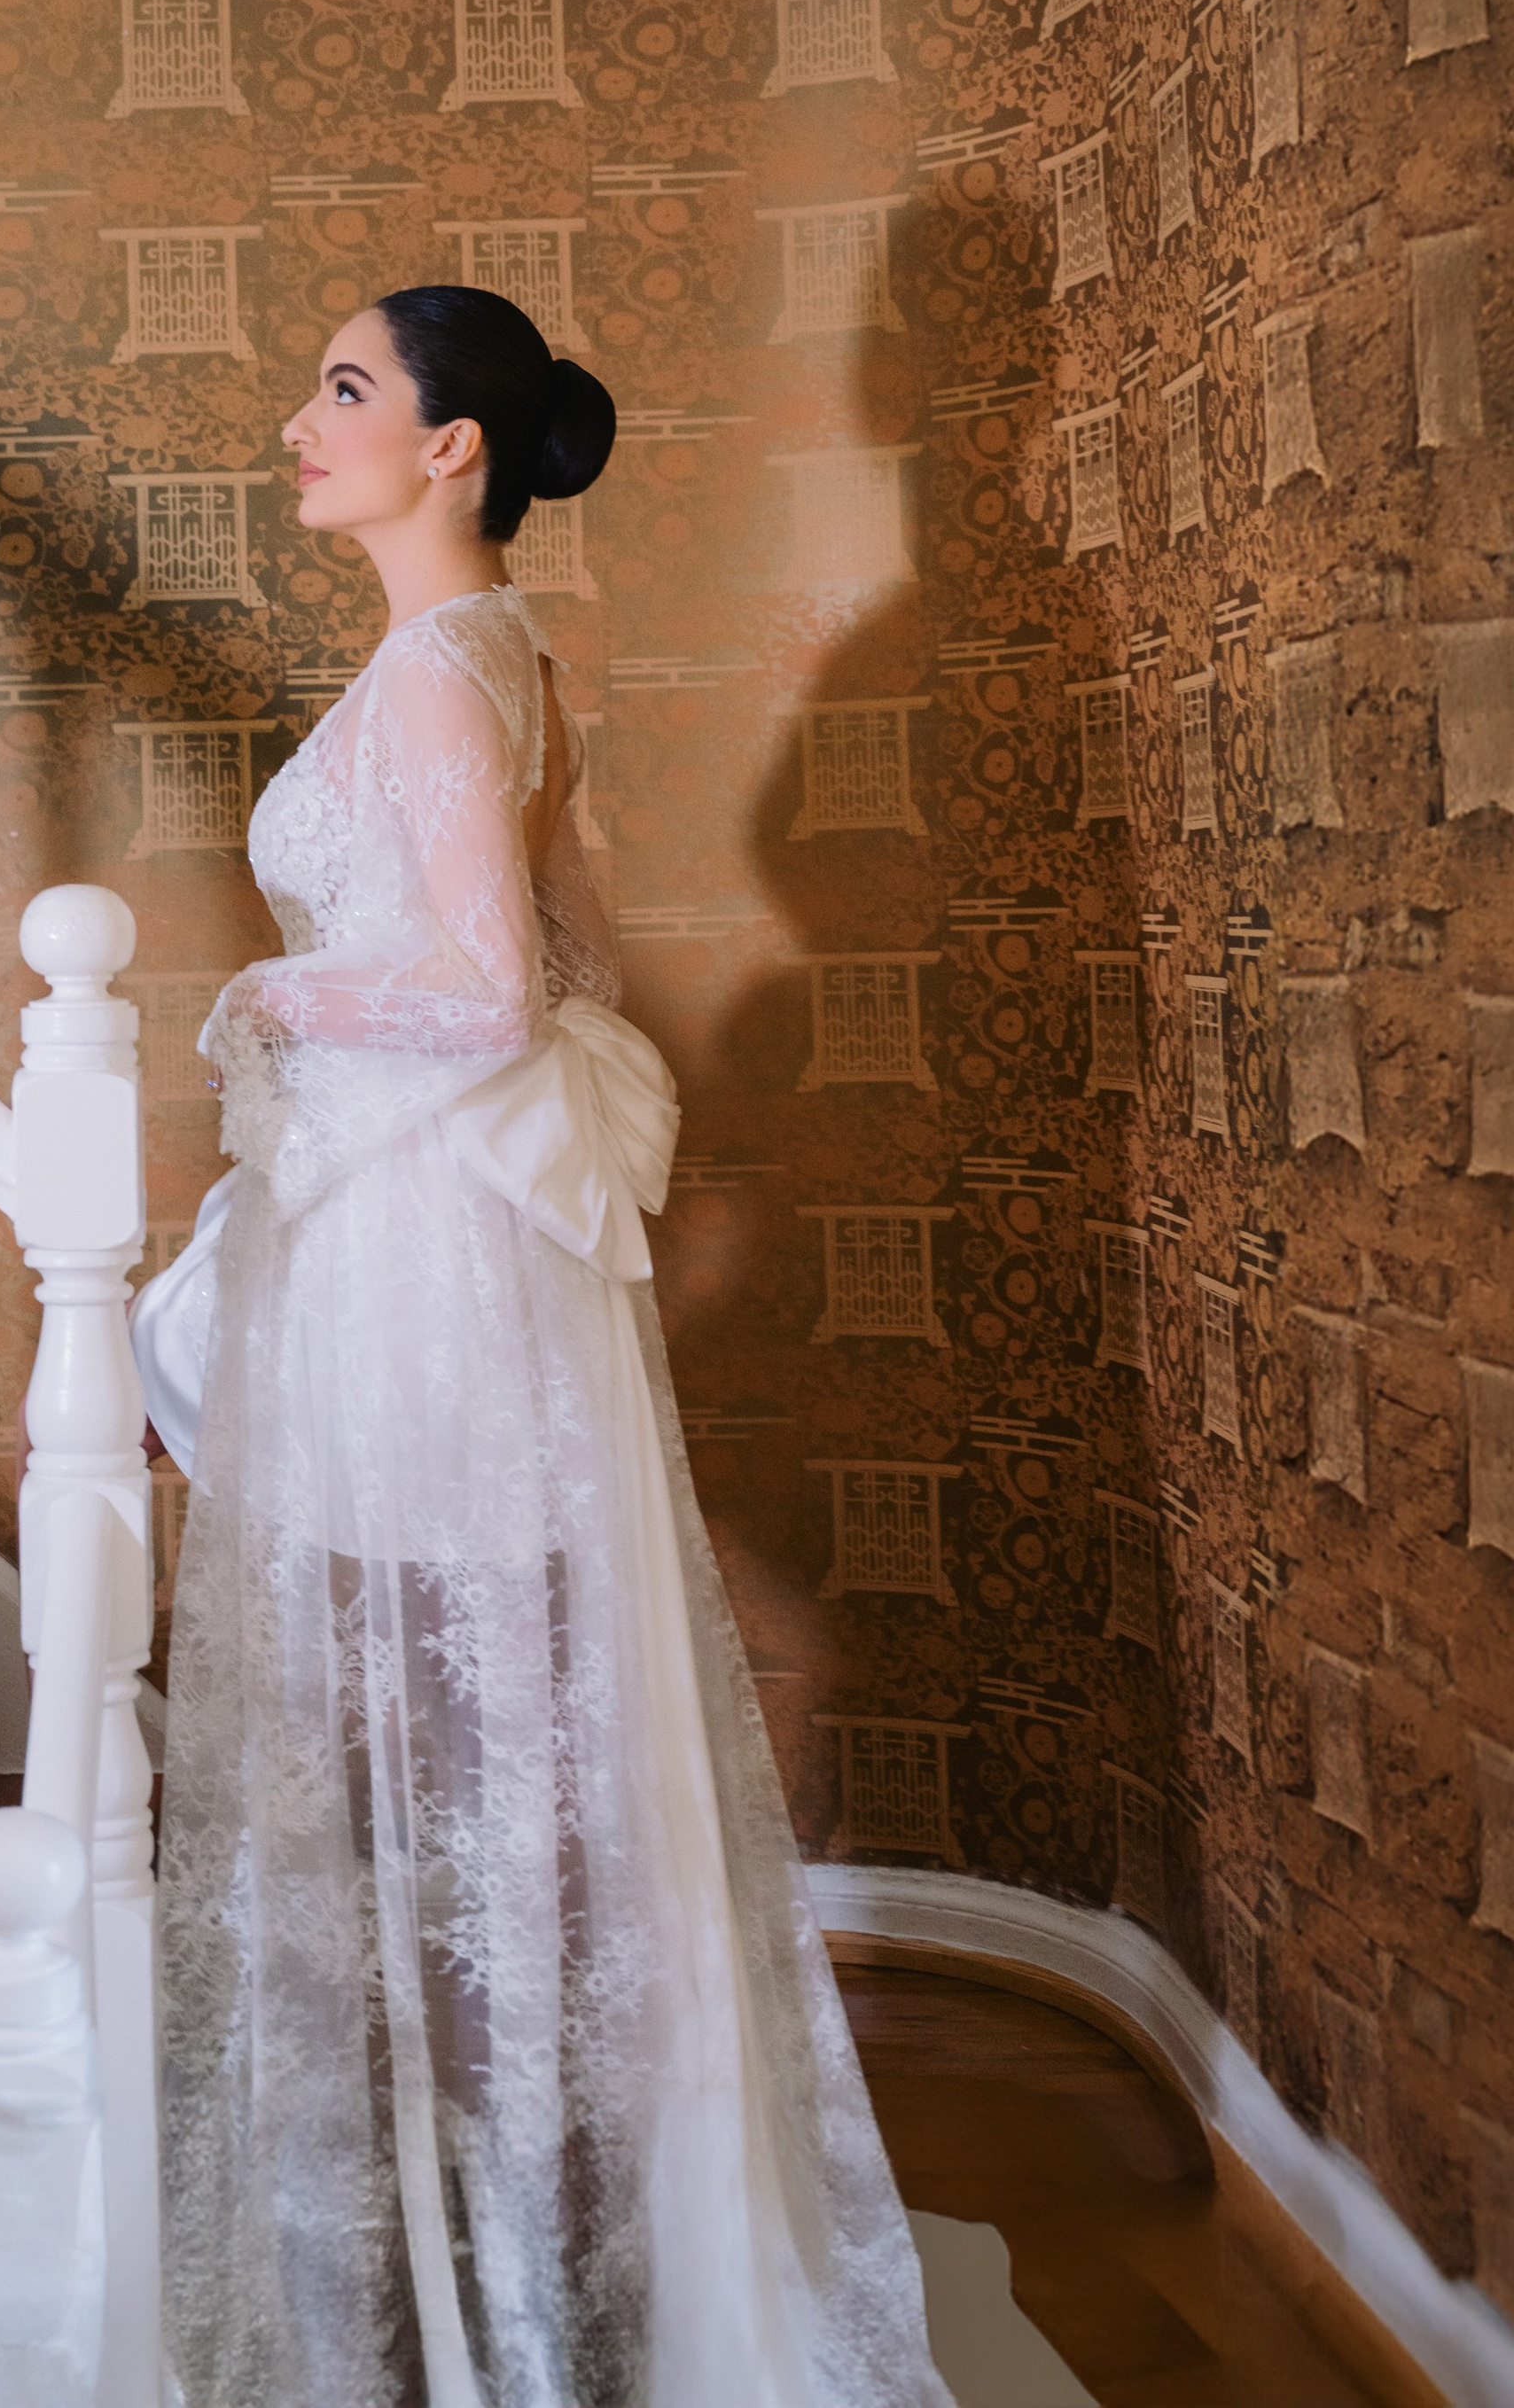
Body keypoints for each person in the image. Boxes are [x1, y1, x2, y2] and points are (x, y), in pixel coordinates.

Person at [133, 284, 948, 2408]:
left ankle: (483, 2276)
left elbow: (495, 996)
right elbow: (578, 961)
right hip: (451, 1244)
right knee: (493, 1740)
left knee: (439, 1742)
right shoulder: (502, 657)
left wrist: (267, 999)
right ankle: (533, 2248)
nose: (296, 421)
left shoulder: (434, 669)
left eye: (340, 389)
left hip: (424, 1262)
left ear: (451, 446)